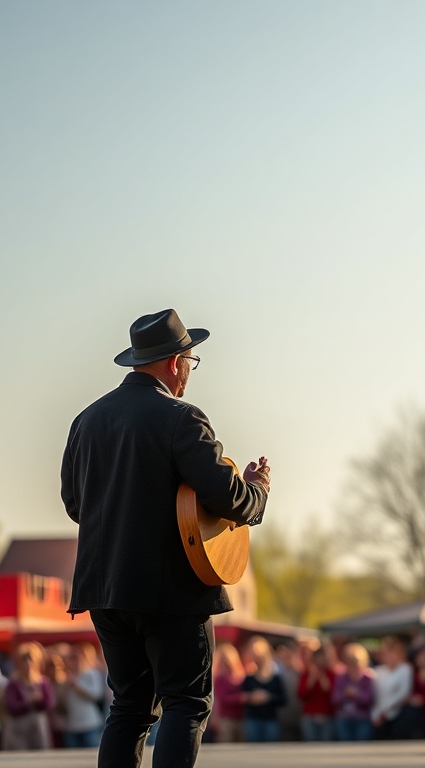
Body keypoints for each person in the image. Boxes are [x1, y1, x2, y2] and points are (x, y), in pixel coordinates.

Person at [61, 308, 270, 768]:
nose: (188, 374)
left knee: (130, 708)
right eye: (190, 364)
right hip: (172, 591)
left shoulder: (85, 421)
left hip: (105, 590)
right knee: (186, 703)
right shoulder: (182, 417)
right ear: (176, 363)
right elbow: (226, 496)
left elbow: (75, 506)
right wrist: (257, 491)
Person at [2, 642, 56, 750]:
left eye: (31, 660)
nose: (28, 663)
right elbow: (11, 706)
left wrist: (39, 700)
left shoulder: (42, 682)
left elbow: (50, 704)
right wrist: (28, 701)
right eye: (24, 660)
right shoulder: (13, 683)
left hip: (38, 726)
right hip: (19, 727)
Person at [59, 643, 107, 749]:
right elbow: (61, 702)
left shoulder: (91, 674)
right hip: (71, 725)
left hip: (90, 724)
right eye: (72, 659)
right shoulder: (65, 678)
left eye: (78, 658)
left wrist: (76, 685)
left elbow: (96, 695)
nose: (75, 662)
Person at [241, 637, 286, 742]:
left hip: (270, 720)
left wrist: (268, 697)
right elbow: (242, 697)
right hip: (253, 720)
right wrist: (251, 698)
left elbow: (283, 699)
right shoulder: (249, 678)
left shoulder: (275, 678)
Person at [370, 636, 414, 739]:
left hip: (398, 717)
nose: (389, 656)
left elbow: (404, 694)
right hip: (380, 718)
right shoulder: (378, 671)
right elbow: (376, 696)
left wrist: (386, 711)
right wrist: (376, 714)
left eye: (391, 653)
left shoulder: (405, 669)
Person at [332, 643, 375, 741]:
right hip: (344, 717)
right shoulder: (341, 678)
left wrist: (356, 694)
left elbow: (370, 699)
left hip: (362, 718)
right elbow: (335, 698)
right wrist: (345, 694)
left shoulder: (367, 678)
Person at [297, 644, 336, 742]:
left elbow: (332, 695)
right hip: (309, 717)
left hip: (327, 717)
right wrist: (311, 679)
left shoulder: (332, 674)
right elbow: (301, 694)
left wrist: (323, 679)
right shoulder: (307, 673)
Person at [209, 643, 245, 743]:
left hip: (240, 717)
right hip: (226, 719)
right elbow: (220, 699)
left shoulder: (240, 677)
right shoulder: (219, 679)